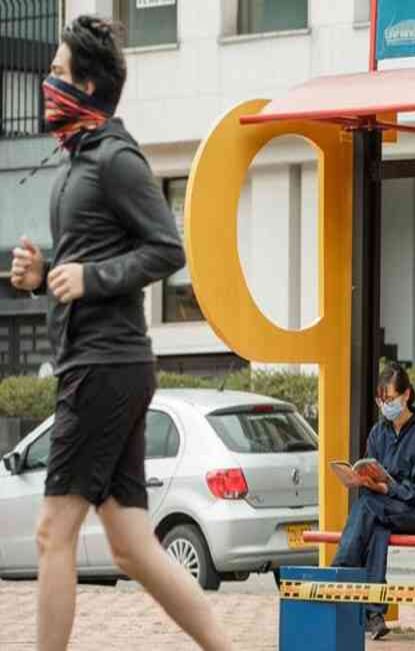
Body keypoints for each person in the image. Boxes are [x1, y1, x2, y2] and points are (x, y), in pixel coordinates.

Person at [9, 16, 232, 651]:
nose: (47, 82)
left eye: (56, 72)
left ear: (85, 84)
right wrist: (44, 276)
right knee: (132, 544)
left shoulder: (116, 158)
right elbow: (81, 272)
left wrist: (91, 277)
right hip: (101, 363)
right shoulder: (78, 161)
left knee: (53, 530)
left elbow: (167, 249)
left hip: (104, 368)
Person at [333, 362, 415, 640]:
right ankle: (374, 614)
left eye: (390, 399)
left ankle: (338, 574)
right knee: (377, 530)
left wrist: (385, 488)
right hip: (382, 511)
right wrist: (363, 481)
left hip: (414, 512)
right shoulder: (377, 432)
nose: (386, 406)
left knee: (368, 508)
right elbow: (371, 474)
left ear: (407, 395)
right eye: (381, 401)